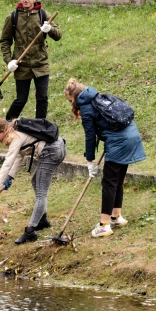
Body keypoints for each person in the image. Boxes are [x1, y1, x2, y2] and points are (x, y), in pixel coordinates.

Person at [64, 78, 146, 238]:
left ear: (75, 97)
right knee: (117, 179)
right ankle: (116, 217)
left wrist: (89, 161)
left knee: (108, 182)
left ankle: (104, 225)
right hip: (132, 135)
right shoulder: (99, 97)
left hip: (119, 142)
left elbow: (90, 137)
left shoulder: (87, 108)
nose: (71, 104)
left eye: (70, 100)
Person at [0, 118, 66, 244]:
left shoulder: (15, 136)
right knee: (35, 182)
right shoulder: (15, 134)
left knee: (41, 193)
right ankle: (42, 220)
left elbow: (8, 161)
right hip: (54, 148)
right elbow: (18, 156)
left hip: (52, 151)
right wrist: (9, 177)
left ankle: (30, 231)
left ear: (2, 130)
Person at [0, 0, 62, 120]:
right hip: (21, 65)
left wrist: (49, 29)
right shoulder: (13, 17)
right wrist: (9, 60)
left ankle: (40, 128)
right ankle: (7, 125)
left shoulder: (43, 15)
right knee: (21, 99)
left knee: (42, 98)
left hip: (41, 64)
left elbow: (58, 35)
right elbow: (5, 41)